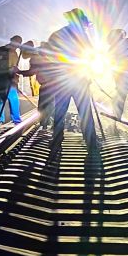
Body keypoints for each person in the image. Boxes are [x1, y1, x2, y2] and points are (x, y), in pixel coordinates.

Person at [47, 8, 98, 156]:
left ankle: (56, 142)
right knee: (85, 112)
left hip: (62, 80)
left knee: (59, 112)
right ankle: (91, 144)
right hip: (79, 79)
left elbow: (48, 55)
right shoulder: (82, 36)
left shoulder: (57, 34)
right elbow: (91, 56)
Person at [19, 41, 59, 128]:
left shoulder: (35, 57)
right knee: (48, 104)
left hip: (48, 83)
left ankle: (46, 123)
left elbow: (31, 72)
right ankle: (47, 123)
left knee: (44, 105)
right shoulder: (40, 53)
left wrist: (18, 71)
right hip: (54, 82)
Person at [0, 35, 23, 125]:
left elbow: (14, 67)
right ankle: (1, 120)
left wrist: (15, 75)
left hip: (8, 79)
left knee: (11, 99)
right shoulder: (1, 50)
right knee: (2, 99)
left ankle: (14, 120)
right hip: (2, 78)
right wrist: (8, 70)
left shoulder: (14, 53)